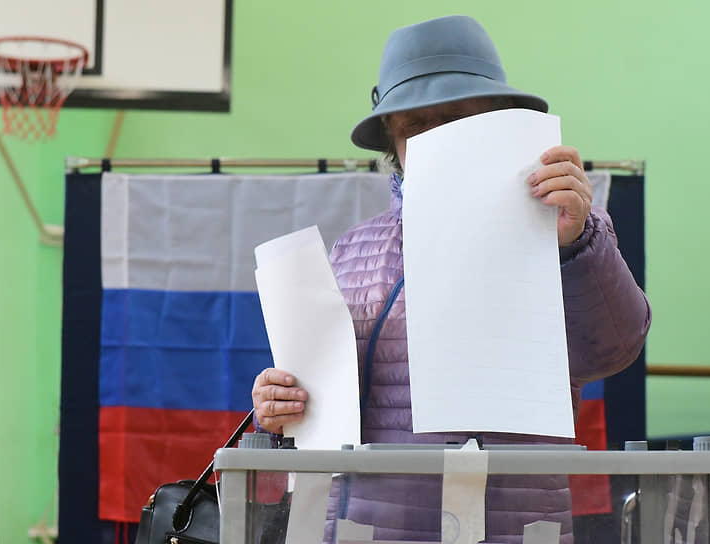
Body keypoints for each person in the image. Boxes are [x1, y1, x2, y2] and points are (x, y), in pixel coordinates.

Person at [251, 15, 651, 543]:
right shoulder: (351, 249)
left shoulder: (562, 228)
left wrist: (577, 243)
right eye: (415, 126)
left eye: (455, 119)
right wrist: (278, 408)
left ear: (497, 122)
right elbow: (323, 409)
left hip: (510, 530)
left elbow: (614, 349)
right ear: (393, 143)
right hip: (364, 528)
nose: (436, 138)